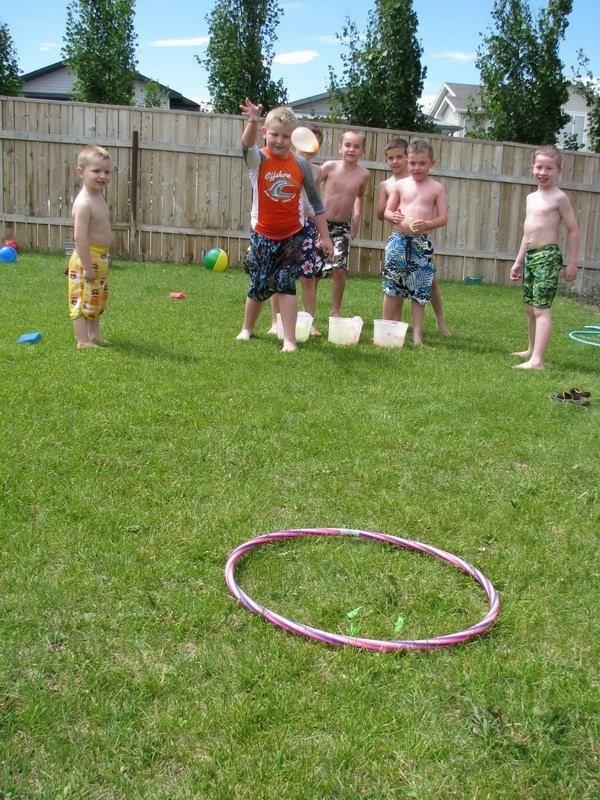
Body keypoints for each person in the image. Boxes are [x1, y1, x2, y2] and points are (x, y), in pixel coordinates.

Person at [236, 99, 333, 352]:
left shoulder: (300, 164)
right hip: (262, 235)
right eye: (275, 135)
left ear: (294, 139)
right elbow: (245, 147)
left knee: (286, 286)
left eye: (286, 136)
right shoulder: (258, 160)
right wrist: (252, 121)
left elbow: (316, 204)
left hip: (293, 236)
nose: (279, 141)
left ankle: (289, 339)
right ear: (265, 133)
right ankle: (247, 328)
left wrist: (326, 237)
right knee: (258, 286)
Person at [510, 144, 579, 370]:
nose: (543, 172)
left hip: (548, 256)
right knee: (530, 307)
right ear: (532, 168)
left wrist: (572, 262)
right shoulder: (531, 198)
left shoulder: (559, 198)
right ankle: (531, 350)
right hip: (531, 256)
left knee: (541, 308)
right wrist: (518, 261)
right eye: (539, 167)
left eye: (549, 168)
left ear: (559, 171)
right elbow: (527, 233)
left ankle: (537, 361)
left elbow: (573, 229)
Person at [377, 138, 449, 336]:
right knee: (392, 284)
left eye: (422, 163)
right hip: (398, 239)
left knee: (421, 287)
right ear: (408, 162)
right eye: (413, 163)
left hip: (421, 243)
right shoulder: (400, 185)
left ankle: (417, 333)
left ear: (431, 163)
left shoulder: (436, 188)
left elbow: (443, 217)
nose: (416, 167)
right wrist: (394, 215)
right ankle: (385, 328)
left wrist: (427, 224)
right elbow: (386, 212)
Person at [315, 130, 370, 318]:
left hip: (341, 228)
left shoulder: (364, 175)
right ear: (339, 147)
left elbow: (360, 196)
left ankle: (335, 310)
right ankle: (310, 313)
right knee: (315, 270)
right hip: (321, 224)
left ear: (363, 150)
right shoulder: (329, 167)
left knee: (339, 269)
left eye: (356, 146)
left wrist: (357, 216)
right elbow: (313, 186)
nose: (351, 149)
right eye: (347, 145)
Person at [68, 144, 114, 348]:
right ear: (81, 172)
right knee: (81, 299)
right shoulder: (84, 202)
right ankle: (82, 340)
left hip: (100, 257)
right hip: (86, 258)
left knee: (96, 297)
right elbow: (79, 237)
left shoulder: (98, 196)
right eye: (96, 171)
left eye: (106, 171)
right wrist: (87, 266)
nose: (102, 176)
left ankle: (94, 335)